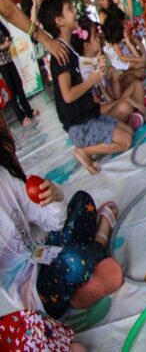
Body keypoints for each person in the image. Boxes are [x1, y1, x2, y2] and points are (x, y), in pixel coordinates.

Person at [0, 126, 123, 323]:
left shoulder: (5, 176)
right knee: (74, 262)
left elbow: (53, 222)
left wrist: (53, 198)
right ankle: (99, 245)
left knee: (83, 201)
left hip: (44, 252)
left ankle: (84, 274)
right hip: (35, 293)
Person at [37, 0, 134, 174]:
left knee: (128, 132)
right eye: (70, 9)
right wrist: (92, 80)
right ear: (59, 21)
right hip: (80, 124)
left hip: (89, 115)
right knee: (125, 142)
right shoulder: (61, 56)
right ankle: (83, 150)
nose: (75, 11)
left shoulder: (68, 50)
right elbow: (67, 95)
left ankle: (91, 146)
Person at [71, 19, 145, 131]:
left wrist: (113, 76)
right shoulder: (85, 71)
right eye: (96, 37)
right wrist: (126, 101)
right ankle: (131, 117)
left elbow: (114, 95)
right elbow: (96, 109)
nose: (100, 38)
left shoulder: (97, 61)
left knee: (137, 85)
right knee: (125, 106)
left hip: (111, 106)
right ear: (87, 46)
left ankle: (132, 117)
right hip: (99, 117)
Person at [0, 20, 39, 126]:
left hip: (8, 59)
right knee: (10, 91)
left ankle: (29, 111)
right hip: (1, 65)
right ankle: (21, 117)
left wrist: (8, 41)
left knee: (19, 85)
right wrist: (3, 46)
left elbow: (6, 33)